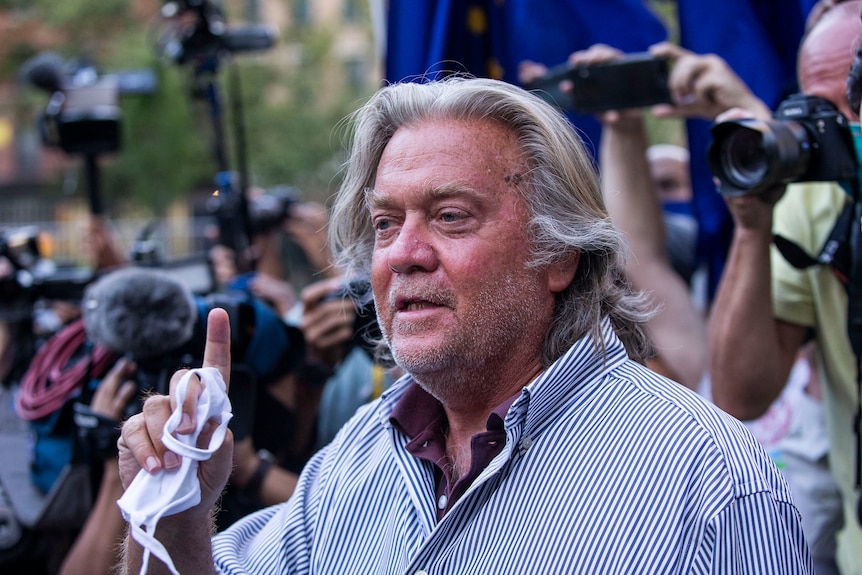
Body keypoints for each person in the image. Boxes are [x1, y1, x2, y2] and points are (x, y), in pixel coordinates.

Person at [117, 76, 812, 573]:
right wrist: (176, 519)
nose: (404, 255)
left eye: (451, 216)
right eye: (386, 223)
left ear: (558, 254)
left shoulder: (708, 478)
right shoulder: (357, 457)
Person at [708, 2, 862, 573]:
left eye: (860, 98)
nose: (844, 127)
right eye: (822, 110)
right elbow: (741, 396)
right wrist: (753, 225)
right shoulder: (817, 200)